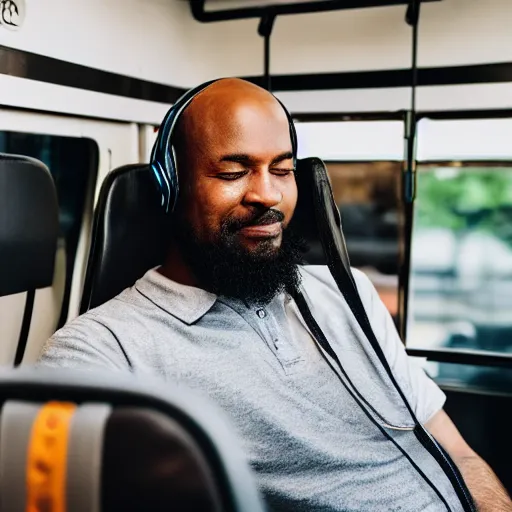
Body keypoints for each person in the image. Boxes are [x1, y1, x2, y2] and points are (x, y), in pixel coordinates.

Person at [38, 78, 511, 512]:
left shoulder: (351, 295)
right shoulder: (102, 350)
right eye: (233, 173)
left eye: (282, 171)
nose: (268, 195)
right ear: (171, 188)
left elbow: (456, 453)